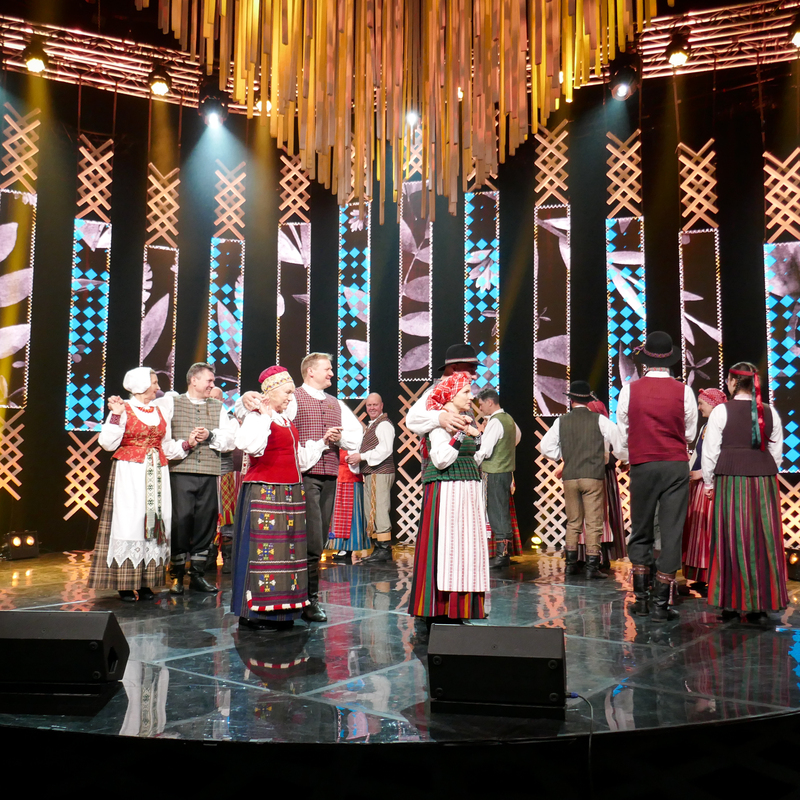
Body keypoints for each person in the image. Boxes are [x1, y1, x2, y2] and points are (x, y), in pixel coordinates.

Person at [238, 353, 363, 622]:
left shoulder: (335, 403)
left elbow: (355, 438)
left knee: (311, 540)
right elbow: (252, 419)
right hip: (296, 480)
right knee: (304, 542)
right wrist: (247, 398)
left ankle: (297, 599)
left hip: (320, 475)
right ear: (310, 372)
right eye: (327, 369)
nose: (332, 373)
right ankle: (306, 599)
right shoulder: (291, 399)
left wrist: (333, 440)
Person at [232, 366, 326, 629]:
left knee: (287, 553)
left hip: (290, 493)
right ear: (271, 392)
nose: (290, 397)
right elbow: (251, 447)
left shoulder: (285, 420)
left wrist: (321, 443)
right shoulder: (257, 418)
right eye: (286, 392)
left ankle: (283, 612)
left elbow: (298, 459)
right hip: (265, 491)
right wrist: (263, 416)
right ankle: (254, 614)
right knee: (263, 554)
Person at [88, 367, 190, 601]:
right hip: (131, 472)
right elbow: (107, 443)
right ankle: (125, 583)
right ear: (142, 385)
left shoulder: (160, 411)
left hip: (157, 472)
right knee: (131, 521)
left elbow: (165, 446)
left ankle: (146, 582)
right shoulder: (123, 408)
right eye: (154, 382)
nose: (157, 387)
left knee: (154, 521)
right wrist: (115, 415)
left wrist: (186, 444)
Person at [617, 331, 697, 621]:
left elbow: (623, 434)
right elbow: (690, 434)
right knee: (672, 531)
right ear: (670, 360)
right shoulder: (684, 391)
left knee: (641, 528)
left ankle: (641, 600)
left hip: (644, 464)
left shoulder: (629, 391)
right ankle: (661, 605)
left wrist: (633, 454)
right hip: (675, 465)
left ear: (646, 360)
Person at [701, 362, 788, 623]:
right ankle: (760, 605)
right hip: (763, 481)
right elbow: (776, 453)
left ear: (731, 382)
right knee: (762, 539)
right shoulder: (770, 412)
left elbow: (710, 452)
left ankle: (730, 603)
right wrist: (761, 467)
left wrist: (709, 483)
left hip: (730, 479)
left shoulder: (721, 412)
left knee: (731, 537)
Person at [408, 372, 490, 626]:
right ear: (450, 396)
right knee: (447, 547)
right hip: (447, 489)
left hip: (467, 488)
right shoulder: (440, 423)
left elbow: (475, 457)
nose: (471, 396)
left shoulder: (464, 420)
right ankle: (440, 607)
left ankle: (460, 607)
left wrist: (475, 436)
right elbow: (441, 459)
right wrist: (461, 434)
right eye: (465, 392)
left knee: (466, 549)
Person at [539, 381, 627, 579]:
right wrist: (624, 458)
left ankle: (570, 565)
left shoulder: (561, 421)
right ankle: (591, 567)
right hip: (592, 476)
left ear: (571, 400)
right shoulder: (600, 420)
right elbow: (619, 442)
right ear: (588, 401)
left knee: (573, 521)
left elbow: (545, 447)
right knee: (594, 522)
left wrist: (563, 455)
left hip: (570, 477)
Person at [161, 362, 236, 595]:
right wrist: (187, 443)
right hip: (181, 472)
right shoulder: (172, 403)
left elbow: (230, 440)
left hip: (209, 473)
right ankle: (176, 574)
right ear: (194, 380)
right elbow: (164, 442)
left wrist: (210, 435)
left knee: (206, 522)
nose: (212, 385)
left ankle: (197, 574)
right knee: (180, 522)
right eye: (209, 380)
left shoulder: (218, 407)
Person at [682, 387, 727, 590]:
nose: (699, 408)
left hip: (711, 485)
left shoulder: (722, 426)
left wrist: (702, 474)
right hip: (699, 486)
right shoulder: (705, 427)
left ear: (712, 403)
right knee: (698, 530)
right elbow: (699, 455)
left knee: (708, 530)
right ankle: (699, 575)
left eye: (701, 403)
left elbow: (720, 455)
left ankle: (713, 574)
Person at [475, 387, 521, 569]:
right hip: (506, 472)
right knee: (501, 509)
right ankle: (504, 553)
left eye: (481, 405)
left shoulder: (495, 422)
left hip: (494, 472)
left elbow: (485, 450)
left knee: (496, 511)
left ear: (490, 402)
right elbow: (517, 437)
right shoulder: (509, 419)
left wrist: (472, 462)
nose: (480, 408)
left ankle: (502, 554)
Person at [348, 393, 396, 564]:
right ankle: (378, 548)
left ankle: (384, 549)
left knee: (379, 508)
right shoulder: (374, 424)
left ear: (381, 405)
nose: (372, 408)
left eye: (375, 405)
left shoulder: (383, 425)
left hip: (380, 472)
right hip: (373, 472)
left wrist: (361, 457)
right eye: (369, 405)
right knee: (373, 509)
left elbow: (385, 449)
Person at [406, 343, 479, 437]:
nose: (475, 377)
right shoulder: (435, 392)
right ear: (454, 368)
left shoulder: (460, 390)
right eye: (470, 371)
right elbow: (412, 419)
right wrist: (440, 417)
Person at [586, 399, 627, 563]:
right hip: (594, 471)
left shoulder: (606, 426)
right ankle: (592, 556)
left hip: (602, 473)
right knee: (591, 513)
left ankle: (599, 556)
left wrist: (623, 459)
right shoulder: (593, 427)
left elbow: (618, 447)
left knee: (601, 513)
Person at [209, 386, 240, 574]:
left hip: (225, 474)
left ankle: (228, 559)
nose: (212, 400)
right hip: (206, 473)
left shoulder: (230, 420)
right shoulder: (201, 416)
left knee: (227, 517)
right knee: (208, 516)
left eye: (216, 398)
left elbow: (230, 446)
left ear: (222, 401)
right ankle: (208, 559)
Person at [326, 449, 369, 562]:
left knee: (351, 515)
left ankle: (348, 547)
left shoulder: (353, 443)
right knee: (339, 516)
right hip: (338, 479)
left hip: (350, 479)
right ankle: (341, 547)